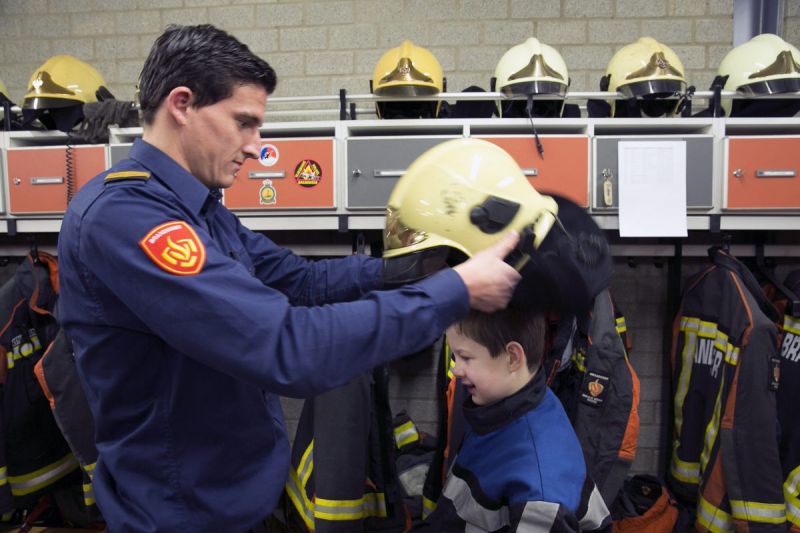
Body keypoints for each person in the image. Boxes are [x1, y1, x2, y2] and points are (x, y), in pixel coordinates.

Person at [56, 24, 522, 532]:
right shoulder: (126, 218)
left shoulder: (199, 209)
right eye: (244, 123)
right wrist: (454, 292)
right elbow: (288, 348)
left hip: (234, 502)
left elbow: (300, 281)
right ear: (183, 104)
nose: (257, 147)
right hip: (182, 515)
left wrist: (421, 264)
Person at [416, 305, 611, 532]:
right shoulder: (502, 408)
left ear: (512, 358)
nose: (456, 370)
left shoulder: (540, 488)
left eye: (466, 357)